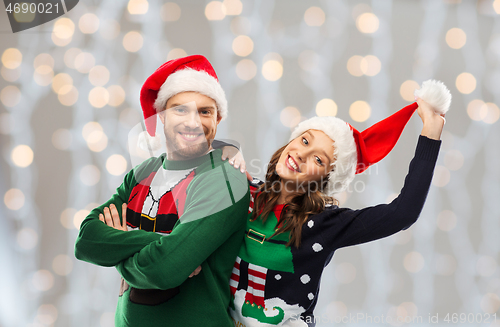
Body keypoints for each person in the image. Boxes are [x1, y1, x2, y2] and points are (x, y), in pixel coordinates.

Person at [228, 80, 450, 326]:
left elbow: (403, 213)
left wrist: (431, 131)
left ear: (325, 179)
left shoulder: (325, 223)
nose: (302, 154)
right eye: (305, 141)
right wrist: (226, 150)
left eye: (318, 160)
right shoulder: (244, 193)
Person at [74, 55, 250, 327]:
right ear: (161, 116)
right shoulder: (142, 174)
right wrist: (158, 244)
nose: (193, 122)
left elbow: (164, 269)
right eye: (181, 110)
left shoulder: (225, 179)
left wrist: (119, 247)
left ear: (218, 118)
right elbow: (87, 241)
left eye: (205, 111)